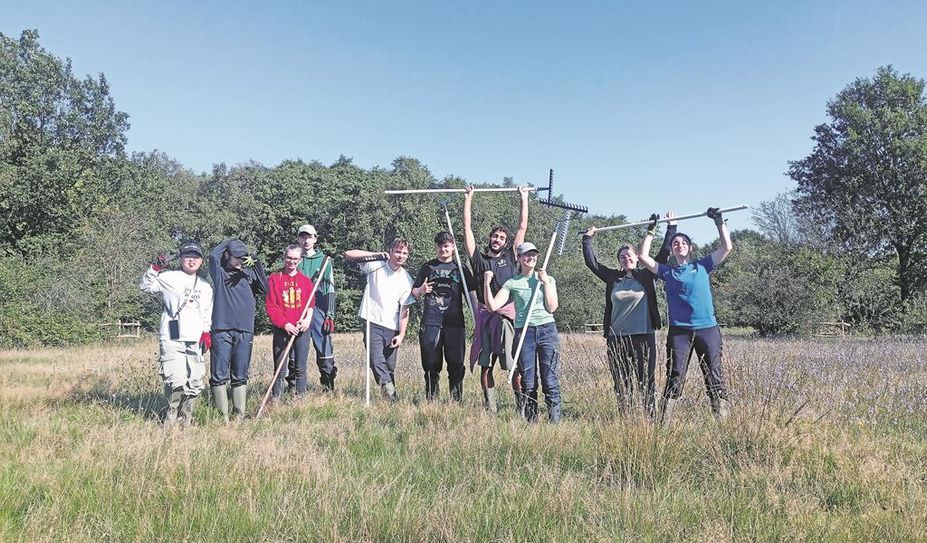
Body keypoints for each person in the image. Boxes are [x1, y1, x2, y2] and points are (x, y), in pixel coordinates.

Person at [638, 207, 734, 423]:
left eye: (683, 242)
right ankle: (664, 423)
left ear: (690, 248)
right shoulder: (667, 272)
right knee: (675, 375)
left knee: (714, 375)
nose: (679, 245)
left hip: (707, 329)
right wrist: (651, 230)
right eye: (675, 243)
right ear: (672, 250)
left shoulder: (703, 266)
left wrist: (719, 221)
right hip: (679, 331)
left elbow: (727, 247)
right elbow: (643, 257)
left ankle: (722, 421)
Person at [581, 213, 676, 417]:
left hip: (644, 336)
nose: (626, 258)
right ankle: (626, 418)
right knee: (622, 382)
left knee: (646, 381)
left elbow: (664, 254)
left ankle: (650, 418)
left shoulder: (647, 275)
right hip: (617, 339)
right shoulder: (613, 278)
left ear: (637, 257)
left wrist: (670, 228)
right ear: (619, 261)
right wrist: (587, 239)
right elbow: (592, 263)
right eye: (622, 257)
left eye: (629, 255)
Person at [462, 185, 529, 412]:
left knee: (514, 364)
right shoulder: (479, 260)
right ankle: (490, 408)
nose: (497, 239)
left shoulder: (511, 257)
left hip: (507, 317)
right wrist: (468, 199)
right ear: (489, 239)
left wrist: (523, 198)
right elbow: (467, 229)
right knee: (486, 365)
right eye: (495, 236)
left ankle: (521, 406)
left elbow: (522, 227)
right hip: (485, 317)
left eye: (501, 237)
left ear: (505, 242)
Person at [484, 242, 561, 423]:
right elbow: (493, 306)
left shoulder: (547, 279)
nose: (530, 257)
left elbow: (552, 307)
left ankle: (554, 422)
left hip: (547, 330)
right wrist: (486, 283)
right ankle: (532, 421)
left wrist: (545, 283)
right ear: (519, 258)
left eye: (533, 254)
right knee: (528, 380)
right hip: (524, 333)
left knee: (549, 379)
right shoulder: (512, 283)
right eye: (526, 254)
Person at [140, 242, 213, 426]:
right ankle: (171, 417)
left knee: (194, 381)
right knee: (175, 380)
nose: (191, 260)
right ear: (181, 259)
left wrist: (206, 333)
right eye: (187, 256)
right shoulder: (169, 278)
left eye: (195, 257)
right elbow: (146, 286)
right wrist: (155, 268)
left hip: (195, 340)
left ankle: (187, 419)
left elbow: (207, 313)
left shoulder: (205, 287)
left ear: (201, 261)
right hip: (172, 337)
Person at [344, 238, 414, 402]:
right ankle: (392, 397)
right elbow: (348, 254)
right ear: (390, 251)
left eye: (404, 253)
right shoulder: (375, 265)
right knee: (376, 361)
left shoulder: (406, 279)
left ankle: (390, 403)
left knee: (389, 367)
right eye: (398, 251)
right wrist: (376, 255)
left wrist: (402, 334)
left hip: (392, 326)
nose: (400, 255)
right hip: (372, 321)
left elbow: (405, 309)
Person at [411, 231, 477, 402]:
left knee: (456, 363)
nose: (443, 249)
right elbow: (414, 292)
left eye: (446, 245)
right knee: (430, 363)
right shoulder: (428, 267)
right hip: (431, 321)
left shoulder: (460, 268)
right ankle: (432, 400)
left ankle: (456, 401)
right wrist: (421, 290)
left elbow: (471, 294)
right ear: (436, 247)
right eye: (440, 246)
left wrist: (478, 319)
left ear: (453, 246)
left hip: (455, 323)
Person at [208, 238, 269, 421]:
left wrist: (256, 261)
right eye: (237, 256)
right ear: (228, 255)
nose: (240, 260)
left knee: (240, 373)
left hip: (245, 330)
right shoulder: (220, 273)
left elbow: (265, 288)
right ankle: (223, 417)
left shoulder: (248, 275)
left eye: (243, 257)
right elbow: (213, 255)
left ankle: (239, 416)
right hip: (221, 330)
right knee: (219, 374)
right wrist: (231, 241)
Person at [265, 244, 315, 400]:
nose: (291, 262)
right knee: (280, 368)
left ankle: (300, 399)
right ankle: (276, 399)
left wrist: (307, 319)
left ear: (300, 260)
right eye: (289, 258)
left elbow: (311, 302)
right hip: (282, 329)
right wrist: (284, 324)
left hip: (301, 329)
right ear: (284, 257)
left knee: (300, 368)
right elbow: (271, 306)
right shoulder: (274, 279)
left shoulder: (305, 281)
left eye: (295, 259)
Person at [293, 224, 338, 391]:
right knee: (294, 351)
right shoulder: (294, 259)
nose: (306, 240)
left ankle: (328, 387)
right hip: (297, 310)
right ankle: (294, 388)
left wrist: (330, 314)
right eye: (303, 237)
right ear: (298, 239)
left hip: (319, 309)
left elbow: (330, 288)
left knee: (324, 350)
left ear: (315, 239)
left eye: (309, 237)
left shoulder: (324, 261)